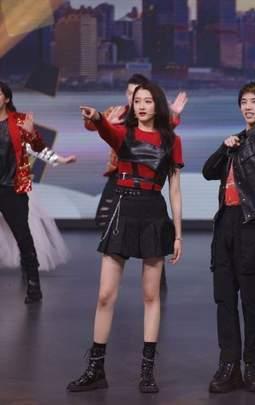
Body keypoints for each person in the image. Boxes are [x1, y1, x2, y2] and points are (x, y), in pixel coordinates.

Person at [68, 81, 184, 393]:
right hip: (123, 209)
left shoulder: (172, 140)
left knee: (151, 297)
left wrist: (178, 234)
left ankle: (147, 372)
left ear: (157, 105)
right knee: (105, 295)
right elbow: (106, 130)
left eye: (148, 101)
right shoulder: (124, 133)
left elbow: (175, 190)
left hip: (153, 213)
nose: (141, 106)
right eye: (137, 101)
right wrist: (96, 117)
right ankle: (96, 369)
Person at [202, 82, 255, 394]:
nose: (249, 107)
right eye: (244, 102)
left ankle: (252, 365)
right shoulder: (236, 140)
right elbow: (209, 171)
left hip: (251, 223)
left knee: (250, 299)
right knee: (224, 297)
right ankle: (228, 364)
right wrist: (225, 147)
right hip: (225, 223)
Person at [86, 74, 186, 292]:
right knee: (104, 216)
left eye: (144, 99)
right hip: (119, 175)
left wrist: (174, 114)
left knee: (151, 280)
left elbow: (162, 133)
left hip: (148, 185)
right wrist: (100, 119)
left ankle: (156, 267)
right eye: (133, 95)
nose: (137, 101)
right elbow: (96, 125)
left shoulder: (162, 130)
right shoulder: (117, 112)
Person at [0, 81, 75, 303]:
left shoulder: (20, 121)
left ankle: (33, 284)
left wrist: (59, 160)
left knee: (23, 236)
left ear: (6, 98)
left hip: (12, 188)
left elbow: (37, 148)